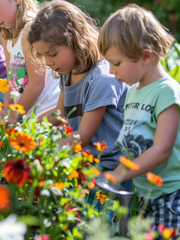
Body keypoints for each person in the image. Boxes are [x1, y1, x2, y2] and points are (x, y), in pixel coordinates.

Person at [99, 4, 180, 231]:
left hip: (171, 197)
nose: (112, 71)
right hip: (145, 193)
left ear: (145, 56)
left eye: (116, 63)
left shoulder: (167, 92)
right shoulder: (133, 91)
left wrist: (118, 173)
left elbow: (161, 149)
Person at [27, 0, 129, 172]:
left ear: (76, 40)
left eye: (52, 54)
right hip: (83, 161)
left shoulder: (101, 78)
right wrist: (27, 129)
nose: (48, 62)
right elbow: (59, 113)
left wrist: (43, 151)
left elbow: (84, 135)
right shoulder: (68, 71)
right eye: (43, 55)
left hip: (109, 168)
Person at [0, 0, 60, 124]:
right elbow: (11, 77)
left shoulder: (31, 29)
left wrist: (12, 117)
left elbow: (37, 84)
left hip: (45, 110)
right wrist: (6, 108)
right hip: (25, 112)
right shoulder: (6, 32)